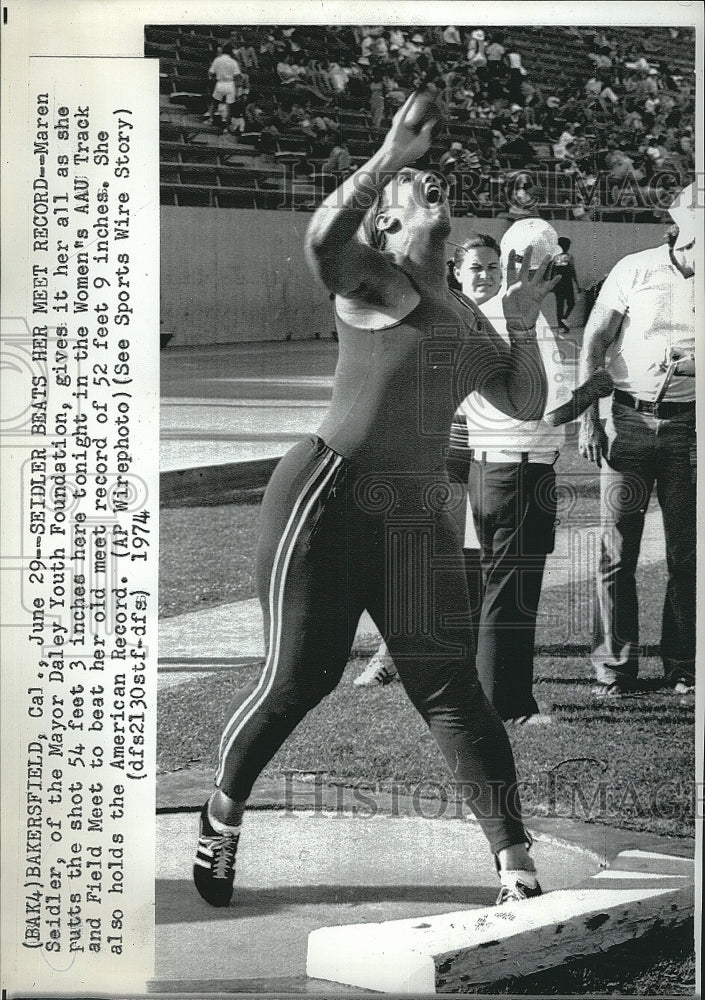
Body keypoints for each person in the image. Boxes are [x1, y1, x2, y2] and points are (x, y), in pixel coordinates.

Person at [193, 93, 557, 909]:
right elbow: (320, 237)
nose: (432, 187)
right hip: (325, 498)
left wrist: (525, 320)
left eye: (435, 183)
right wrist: (386, 158)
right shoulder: (374, 282)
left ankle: (515, 866)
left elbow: (525, 403)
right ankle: (222, 817)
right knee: (298, 678)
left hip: (413, 519)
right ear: (388, 229)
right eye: (411, 190)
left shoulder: (472, 316)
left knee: (449, 685)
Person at [355, 234, 502, 688]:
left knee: (477, 557)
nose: (486, 276)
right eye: (476, 267)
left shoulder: (511, 314)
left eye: (493, 267)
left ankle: (473, 655)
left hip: (495, 449)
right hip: (444, 445)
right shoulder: (443, 310)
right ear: (457, 271)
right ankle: (390, 653)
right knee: (426, 553)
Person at [578, 182, 696, 698]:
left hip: (692, 429)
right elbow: (594, 340)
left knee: (689, 556)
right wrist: (587, 417)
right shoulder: (635, 269)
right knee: (616, 553)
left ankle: (684, 664)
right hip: (626, 423)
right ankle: (614, 668)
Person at [460, 220, 573, 724]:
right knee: (511, 593)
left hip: (496, 470)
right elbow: (542, 409)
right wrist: (593, 392)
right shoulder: (513, 319)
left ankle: (499, 697)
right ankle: (504, 705)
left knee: (502, 590)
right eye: (550, 262)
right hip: (517, 472)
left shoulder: (485, 315)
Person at [207, 43, 242, 134]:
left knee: (214, 103)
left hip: (220, 83)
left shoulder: (217, 60)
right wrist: (238, 89)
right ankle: (227, 127)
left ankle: (210, 119)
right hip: (230, 84)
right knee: (229, 107)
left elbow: (211, 72)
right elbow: (238, 76)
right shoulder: (234, 62)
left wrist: (213, 79)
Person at [552, 237, 581, 332]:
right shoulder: (565, 257)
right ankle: (562, 323)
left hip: (562, 283)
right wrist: (577, 284)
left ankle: (562, 322)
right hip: (564, 283)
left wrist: (577, 284)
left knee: (565, 304)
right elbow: (572, 271)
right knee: (564, 304)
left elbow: (553, 271)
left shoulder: (558, 257)